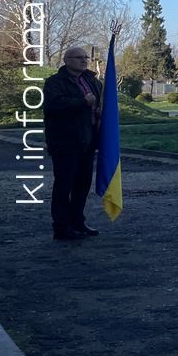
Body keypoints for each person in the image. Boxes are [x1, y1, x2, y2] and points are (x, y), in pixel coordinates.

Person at [43, 47, 103, 241]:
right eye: (79, 58)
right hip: (66, 142)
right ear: (67, 60)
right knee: (64, 185)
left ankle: (78, 222)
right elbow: (53, 107)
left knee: (82, 185)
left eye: (85, 57)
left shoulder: (92, 81)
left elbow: (96, 104)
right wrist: (82, 102)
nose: (84, 60)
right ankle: (61, 227)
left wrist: (99, 112)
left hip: (88, 141)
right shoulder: (54, 82)